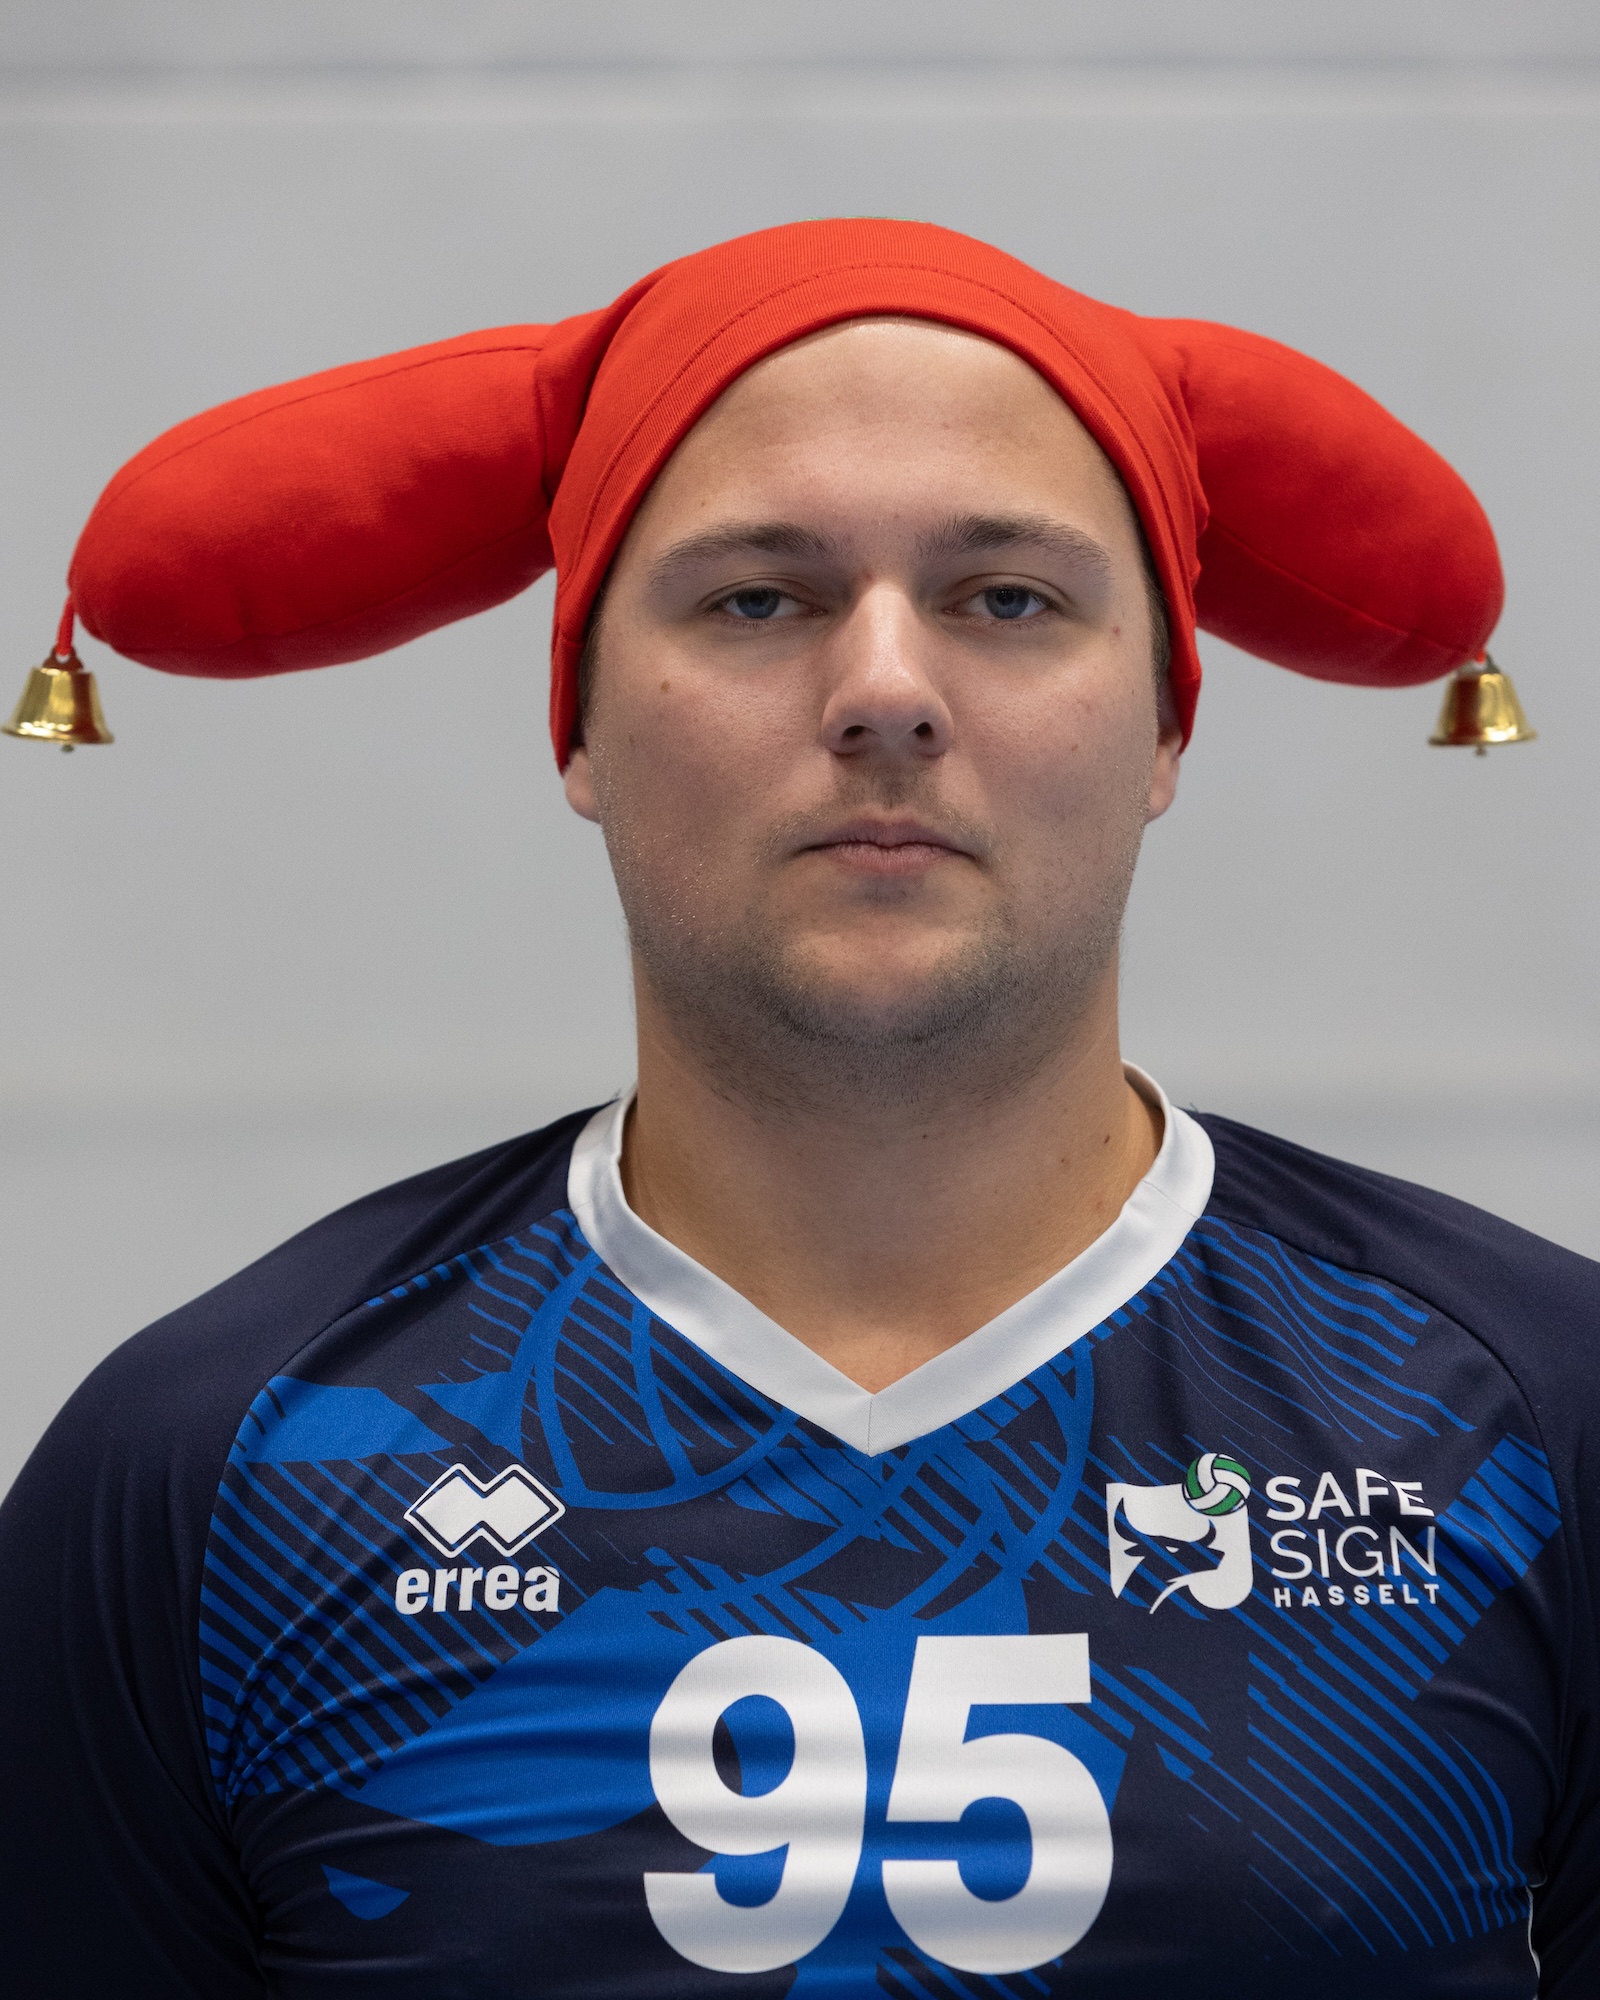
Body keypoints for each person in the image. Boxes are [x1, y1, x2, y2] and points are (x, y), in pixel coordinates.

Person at [0, 219, 1592, 1999]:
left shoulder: (1533, 1415)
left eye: (1008, 598)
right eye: (758, 598)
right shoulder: (216, 1469)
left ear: (1163, 727)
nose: (886, 693)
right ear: (579, 727)